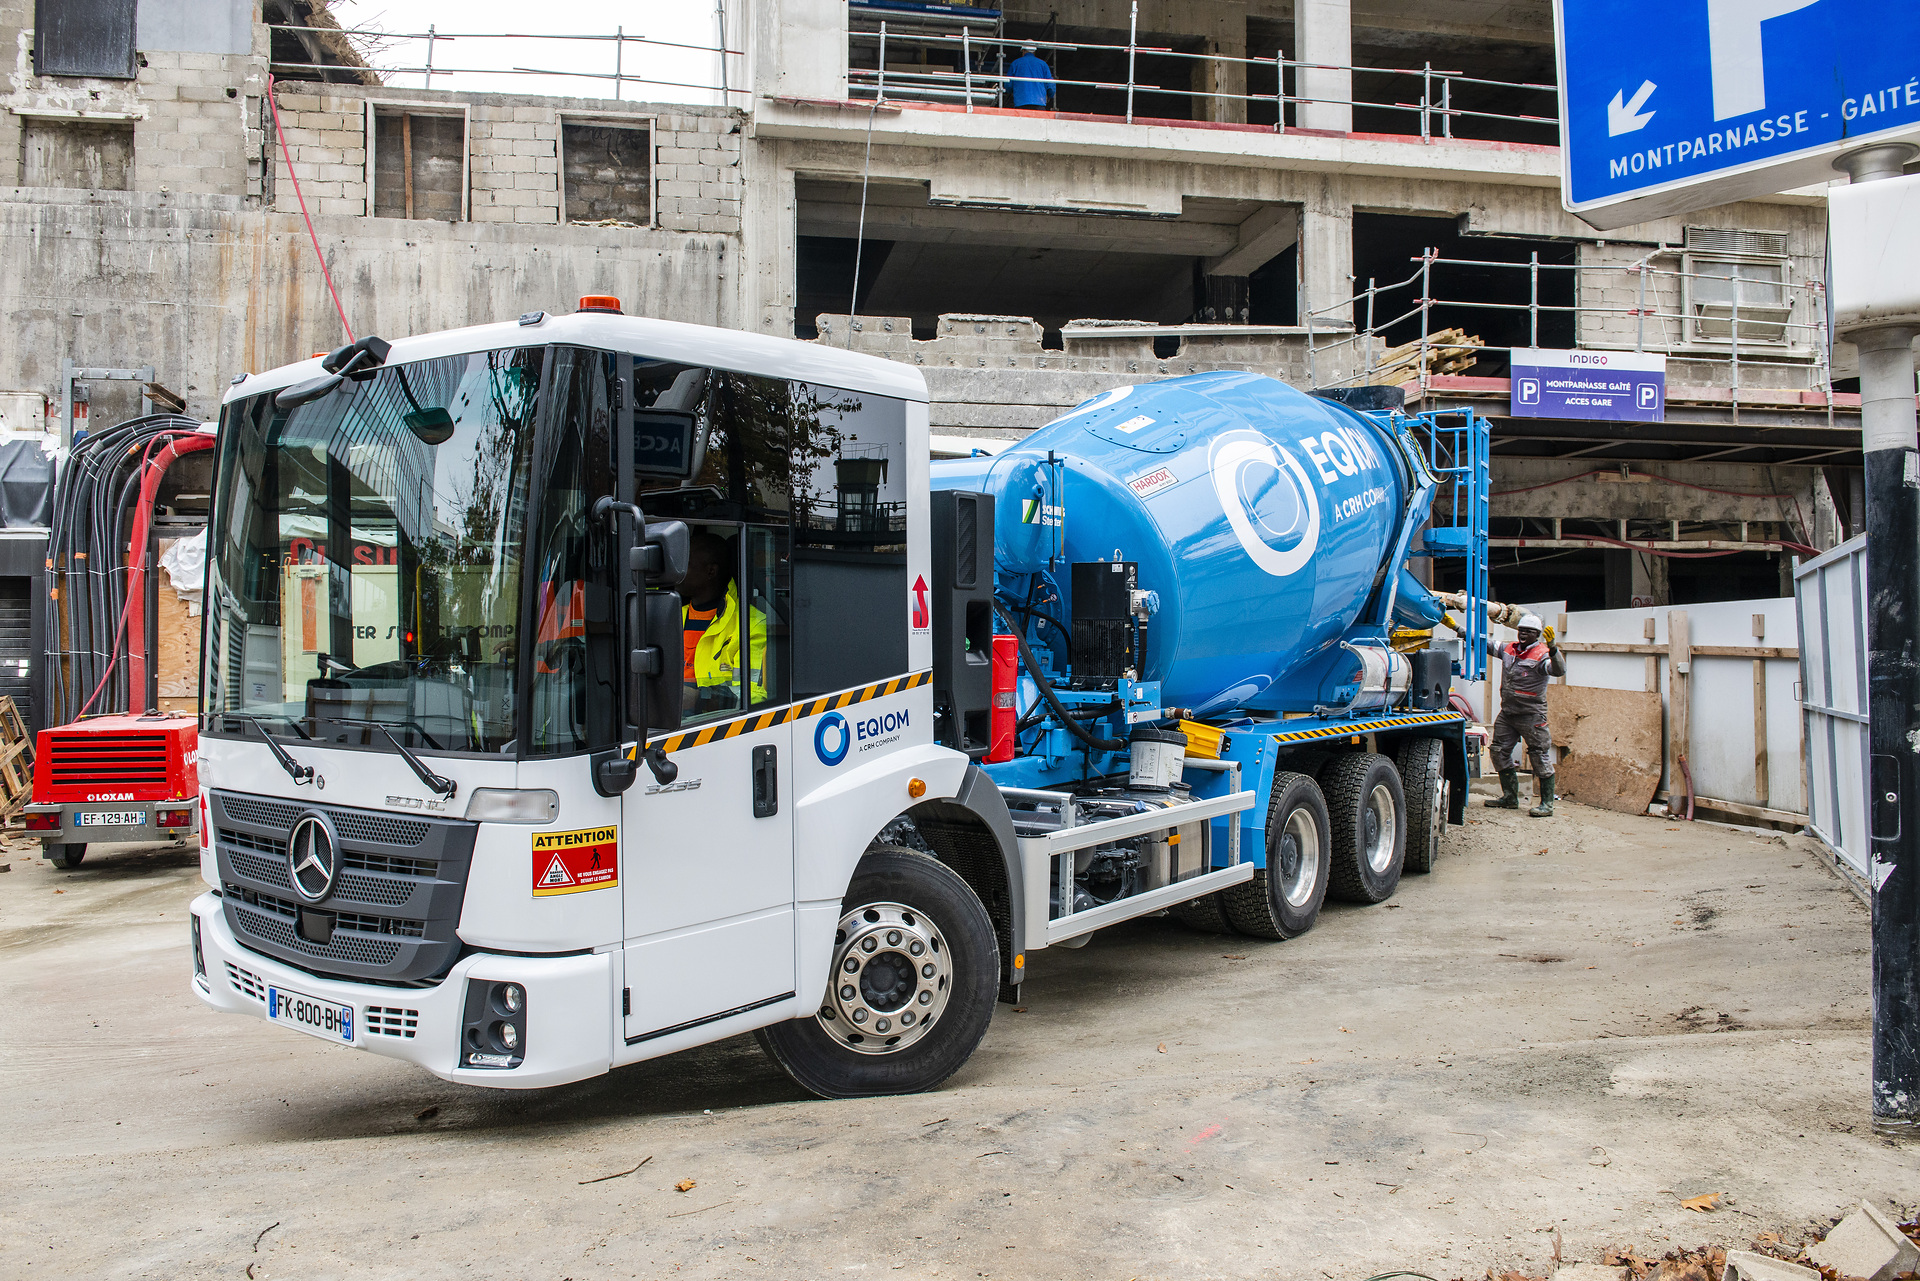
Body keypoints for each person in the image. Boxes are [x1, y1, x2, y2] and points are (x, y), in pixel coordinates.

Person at [1484, 612, 1565, 817]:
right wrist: (1458, 629)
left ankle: (1547, 804)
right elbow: (1484, 642)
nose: (1523, 634)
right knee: (1498, 751)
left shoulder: (1542, 654)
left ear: (1536, 635)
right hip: (1508, 713)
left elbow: (1558, 671)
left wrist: (1554, 648)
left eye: (1528, 631)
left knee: (1539, 755)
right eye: (1521, 630)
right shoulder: (1509, 649)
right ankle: (1510, 798)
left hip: (1531, 714)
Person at [681, 531, 767, 713]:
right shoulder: (669, 615)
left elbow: (752, 695)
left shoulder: (751, 624)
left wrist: (699, 698)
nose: (677, 571)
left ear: (711, 571)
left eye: (685, 564)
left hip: (714, 725)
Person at [1006, 42, 1055, 110]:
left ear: (1023, 51)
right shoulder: (1043, 64)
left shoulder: (1015, 64)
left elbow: (1008, 85)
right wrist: (1050, 95)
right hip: (1039, 103)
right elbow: (1050, 86)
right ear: (1034, 51)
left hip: (1021, 103)